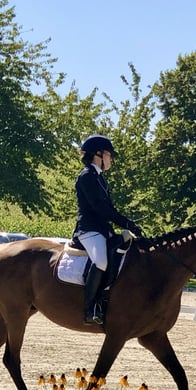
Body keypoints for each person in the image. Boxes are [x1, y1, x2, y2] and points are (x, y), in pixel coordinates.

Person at [72, 134, 142, 325]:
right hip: (89, 229)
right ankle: (89, 309)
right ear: (98, 154)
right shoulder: (87, 176)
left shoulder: (99, 178)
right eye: (109, 155)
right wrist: (125, 223)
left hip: (103, 229)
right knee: (101, 261)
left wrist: (128, 223)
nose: (111, 159)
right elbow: (98, 207)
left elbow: (109, 209)